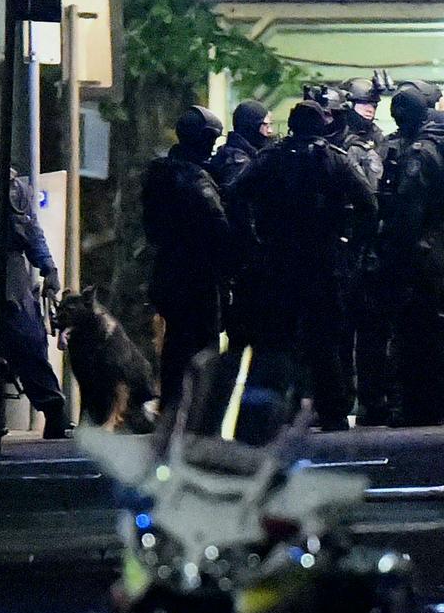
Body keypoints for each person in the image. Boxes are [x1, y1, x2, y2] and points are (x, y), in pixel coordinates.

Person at [231, 100, 377, 432]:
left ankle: (275, 414)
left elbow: (236, 194)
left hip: (278, 261)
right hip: (321, 261)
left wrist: (252, 242)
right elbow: (368, 203)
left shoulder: (269, 158)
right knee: (324, 340)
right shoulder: (334, 159)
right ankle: (333, 413)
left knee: (277, 342)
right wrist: (353, 250)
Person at [381, 81, 444, 427]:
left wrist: (394, 247)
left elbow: (408, 207)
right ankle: (439, 404)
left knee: (417, 332)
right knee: (438, 331)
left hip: (423, 251)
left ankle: (420, 407)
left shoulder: (421, 152)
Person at [141, 105, 230, 410]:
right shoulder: (195, 178)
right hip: (198, 274)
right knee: (203, 345)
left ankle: (173, 404)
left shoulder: (159, 173)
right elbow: (218, 225)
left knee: (175, 344)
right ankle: (199, 409)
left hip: (168, 270)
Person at [3, 167, 71, 438]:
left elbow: (30, 230)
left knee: (27, 339)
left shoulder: (12, 188)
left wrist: (49, 268)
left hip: (8, 270)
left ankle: (53, 409)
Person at [207, 99, 275, 356]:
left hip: (243, 261)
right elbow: (242, 203)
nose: (269, 132)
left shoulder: (245, 156)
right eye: (265, 126)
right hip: (242, 263)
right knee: (243, 336)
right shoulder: (238, 160)